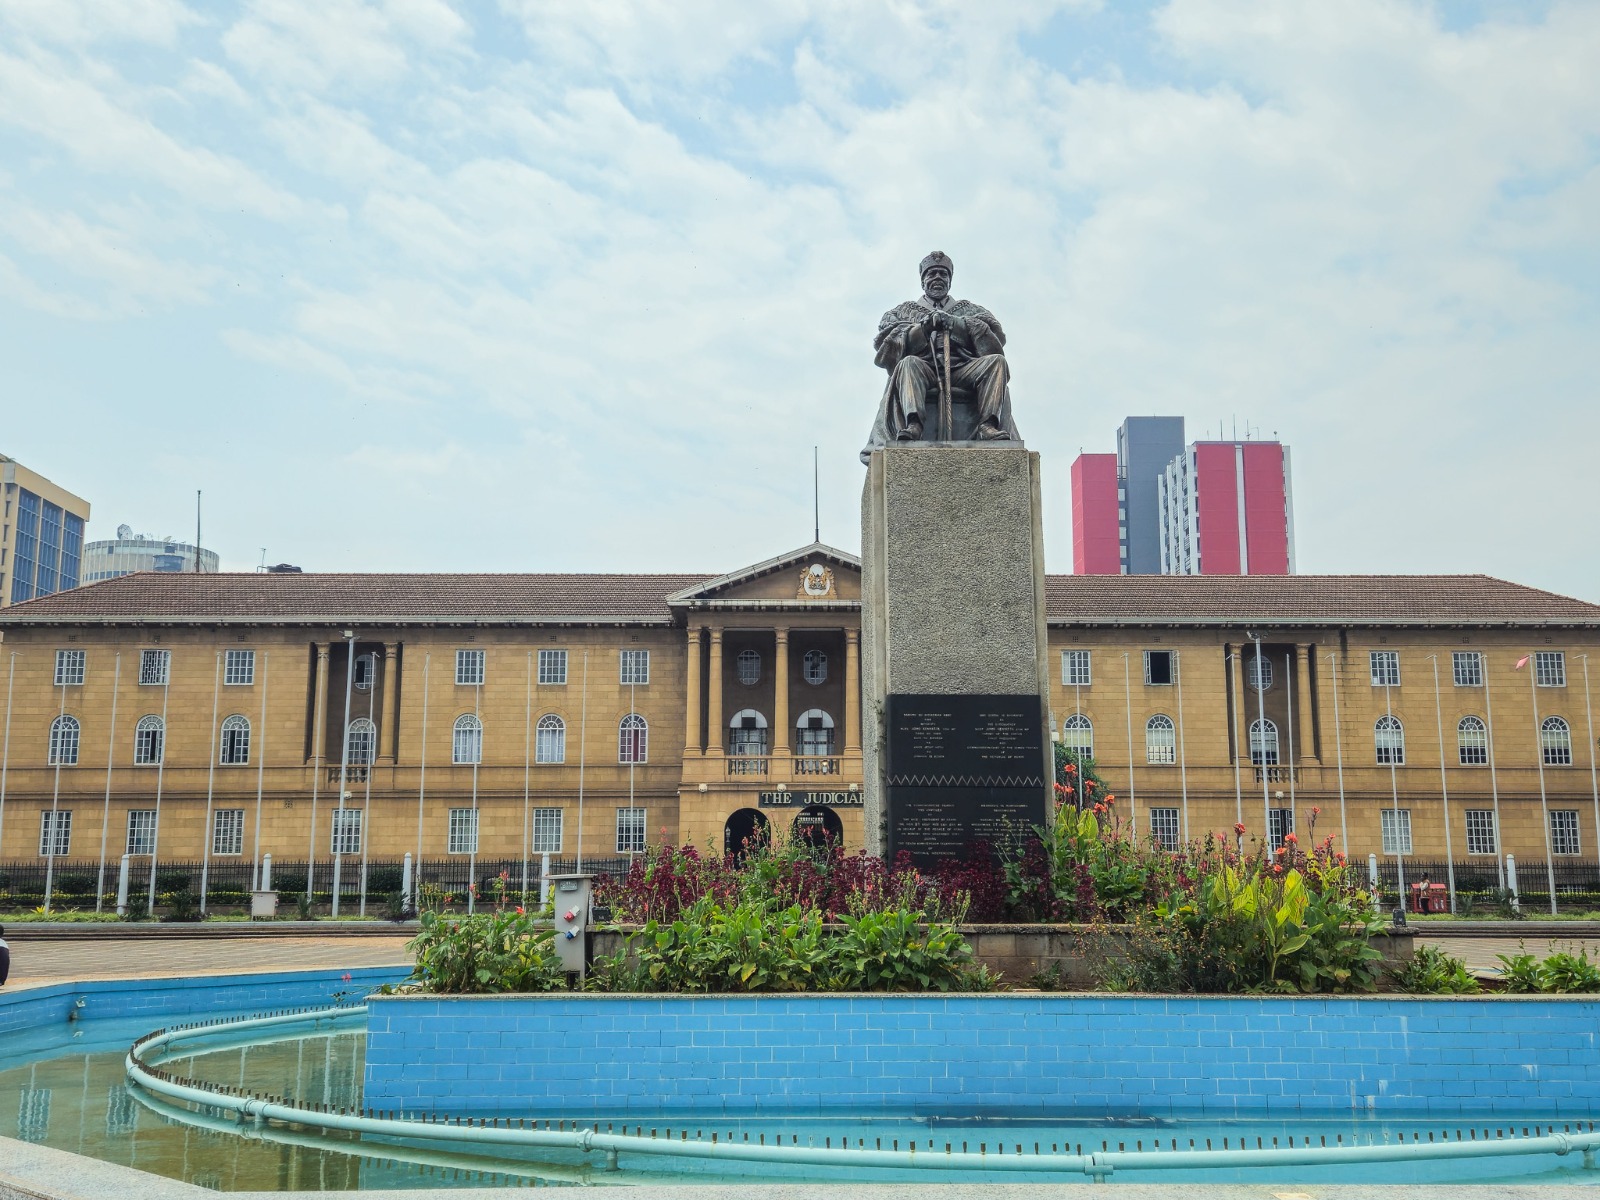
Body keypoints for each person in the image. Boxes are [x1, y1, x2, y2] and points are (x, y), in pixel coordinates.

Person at [861, 251, 1023, 460]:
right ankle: (913, 424)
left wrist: (957, 325)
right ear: (923, 280)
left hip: (963, 370)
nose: (937, 278)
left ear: (949, 279)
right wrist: (922, 330)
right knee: (909, 363)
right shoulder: (901, 312)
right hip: (925, 370)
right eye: (932, 274)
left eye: (943, 274)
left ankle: (988, 426)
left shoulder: (971, 310)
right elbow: (886, 349)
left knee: (997, 363)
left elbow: (994, 342)